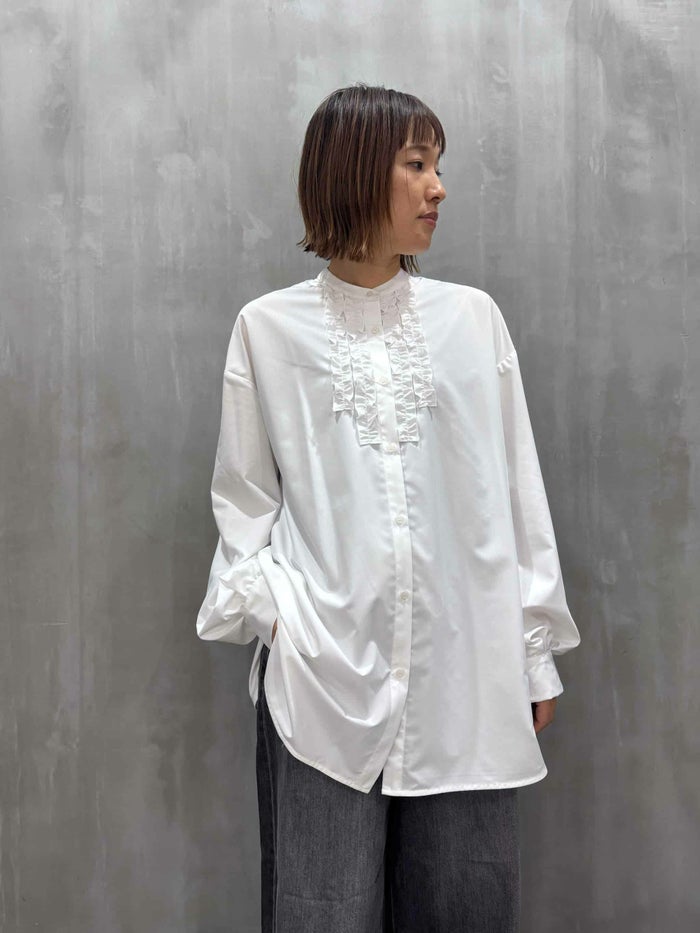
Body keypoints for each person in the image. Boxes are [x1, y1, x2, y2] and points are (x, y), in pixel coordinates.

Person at [196, 83, 581, 932]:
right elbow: (244, 500)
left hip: (465, 676)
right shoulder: (267, 330)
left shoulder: (472, 321)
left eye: (436, 165)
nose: (438, 187)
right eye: (416, 164)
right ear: (355, 172)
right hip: (323, 684)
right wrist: (285, 624)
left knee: (464, 906)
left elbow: (518, 490)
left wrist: (533, 652)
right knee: (319, 911)